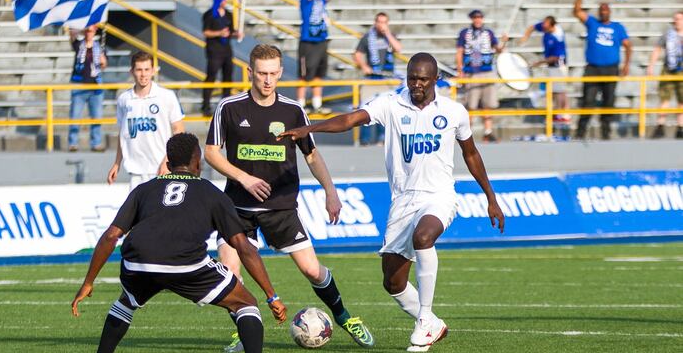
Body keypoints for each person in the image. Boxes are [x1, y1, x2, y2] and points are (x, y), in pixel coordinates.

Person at [278, 53, 505, 352]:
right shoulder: (391, 103)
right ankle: (433, 324)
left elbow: (471, 153)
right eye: (412, 78)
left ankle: (424, 320)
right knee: (393, 283)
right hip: (403, 200)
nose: (416, 84)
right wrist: (310, 129)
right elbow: (350, 119)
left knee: (423, 237)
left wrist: (491, 197)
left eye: (422, 79)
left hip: (439, 195)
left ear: (436, 79)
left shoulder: (454, 112)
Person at [205, 44, 374, 351]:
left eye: (273, 73)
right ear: (250, 72)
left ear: (281, 72)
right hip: (237, 208)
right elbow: (211, 152)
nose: (267, 80)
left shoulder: (293, 110)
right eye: (261, 73)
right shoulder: (229, 108)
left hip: (280, 207)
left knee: (312, 270)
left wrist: (331, 192)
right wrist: (244, 178)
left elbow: (311, 155)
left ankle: (344, 317)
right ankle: (245, 330)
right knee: (230, 274)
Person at [72, 133, 287, 353]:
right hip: (186, 263)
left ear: (168, 165)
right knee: (245, 303)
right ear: (198, 163)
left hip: (138, 262)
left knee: (126, 301)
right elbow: (243, 246)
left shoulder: (143, 189)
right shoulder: (212, 193)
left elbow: (110, 236)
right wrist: (272, 295)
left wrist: (88, 282)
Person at [107, 51, 185, 191]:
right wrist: (117, 163)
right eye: (139, 70)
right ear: (132, 71)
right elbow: (123, 134)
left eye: (147, 69)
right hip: (135, 172)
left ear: (153, 71)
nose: (143, 74)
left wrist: (167, 160)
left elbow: (179, 131)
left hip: (161, 169)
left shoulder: (166, 96)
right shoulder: (124, 99)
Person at [573, 0, 632, 140]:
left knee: (609, 102)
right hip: (593, 69)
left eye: (606, 10)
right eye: (602, 10)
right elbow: (577, 11)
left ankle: (606, 134)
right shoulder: (593, 23)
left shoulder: (617, 27)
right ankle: (580, 133)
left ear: (609, 12)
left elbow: (628, 45)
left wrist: (626, 65)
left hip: (611, 69)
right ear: (599, 12)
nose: (604, 12)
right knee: (588, 101)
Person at [354, 12, 403, 145]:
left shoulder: (391, 36)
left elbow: (398, 48)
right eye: (379, 22)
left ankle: (382, 138)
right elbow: (357, 54)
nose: (382, 25)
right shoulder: (367, 37)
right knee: (366, 107)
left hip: (387, 79)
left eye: (384, 22)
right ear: (375, 23)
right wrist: (364, 66)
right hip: (372, 78)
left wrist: (387, 34)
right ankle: (365, 140)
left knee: (386, 108)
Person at [455, 10, 503, 143]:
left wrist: (504, 42)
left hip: (487, 71)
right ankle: (466, 134)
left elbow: (498, 49)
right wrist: (460, 70)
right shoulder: (465, 33)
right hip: (472, 72)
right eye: (475, 17)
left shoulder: (488, 33)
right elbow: (459, 51)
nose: (478, 20)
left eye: (480, 17)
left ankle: (488, 132)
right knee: (471, 105)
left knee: (488, 104)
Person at [297, 0, 338, 114]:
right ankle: (300, 104)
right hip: (308, 42)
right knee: (304, 75)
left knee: (319, 74)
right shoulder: (305, 0)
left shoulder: (321, 0)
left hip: (321, 41)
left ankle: (316, 104)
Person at [519, 16, 570, 123]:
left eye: (546, 24)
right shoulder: (546, 28)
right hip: (551, 66)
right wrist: (525, 37)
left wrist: (539, 63)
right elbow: (532, 27)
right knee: (554, 90)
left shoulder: (558, 37)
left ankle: (563, 115)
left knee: (560, 91)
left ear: (552, 25)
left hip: (558, 67)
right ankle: (559, 113)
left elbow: (556, 57)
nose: (543, 26)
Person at [68, 24, 108, 152]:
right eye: (87, 30)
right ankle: (73, 143)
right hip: (79, 85)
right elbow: (72, 33)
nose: (89, 33)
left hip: (95, 85)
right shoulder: (79, 45)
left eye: (91, 30)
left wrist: (103, 61)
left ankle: (96, 143)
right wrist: (82, 28)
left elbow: (103, 66)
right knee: (75, 115)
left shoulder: (100, 47)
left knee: (96, 116)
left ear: (95, 31)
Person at [647, 11, 683, 139]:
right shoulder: (668, 34)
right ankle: (660, 126)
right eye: (675, 19)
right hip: (669, 69)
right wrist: (651, 65)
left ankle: (680, 127)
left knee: (682, 100)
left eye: (679, 19)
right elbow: (657, 49)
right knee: (664, 98)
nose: (676, 21)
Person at [202, 0, 238, 117]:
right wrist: (219, 33)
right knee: (211, 77)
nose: (225, 0)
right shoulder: (209, 14)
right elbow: (206, 32)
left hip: (227, 51)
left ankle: (226, 106)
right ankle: (206, 106)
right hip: (214, 51)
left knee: (228, 77)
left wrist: (236, 34)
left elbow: (230, 32)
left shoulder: (229, 14)